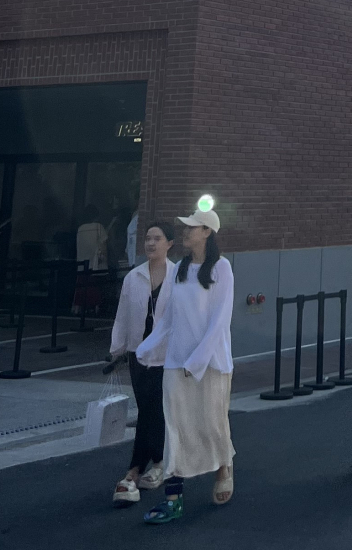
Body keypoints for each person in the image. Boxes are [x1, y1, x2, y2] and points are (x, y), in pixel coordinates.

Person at [135, 203, 235, 522]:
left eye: (192, 227)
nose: (186, 232)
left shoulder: (222, 269)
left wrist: (199, 360)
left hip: (212, 364)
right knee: (176, 428)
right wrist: (147, 348)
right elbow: (167, 319)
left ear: (207, 232)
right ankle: (174, 498)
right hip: (177, 364)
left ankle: (224, 469)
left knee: (212, 423)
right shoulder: (178, 269)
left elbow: (220, 321)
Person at [110, 220, 175, 507]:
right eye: (147, 239)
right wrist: (117, 348)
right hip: (139, 354)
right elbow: (123, 314)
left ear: (169, 243)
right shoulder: (133, 277)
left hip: (167, 355)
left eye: (156, 238)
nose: (150, 243)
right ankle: (159, 463)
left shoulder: (178, 277)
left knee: (153, 411)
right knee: (148, 409)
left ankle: (133, 472)